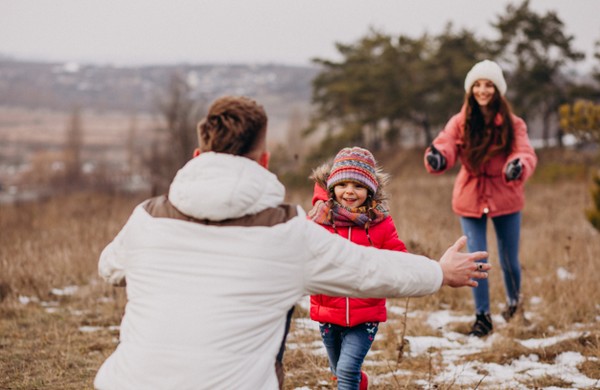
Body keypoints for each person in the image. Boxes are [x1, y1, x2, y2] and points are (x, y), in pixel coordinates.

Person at [95, 95, 490, 390]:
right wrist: (438, 272)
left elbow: (109, 268)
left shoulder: (147, 217)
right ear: (263, 161)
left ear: (198, 154)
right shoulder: (287, 233)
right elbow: (370, 269)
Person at [424, 60, 537, 338]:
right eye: (477, 84)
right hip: (471, 196)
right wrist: (438, 157)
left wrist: (518, 165)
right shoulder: (459, 122)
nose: (483, 90)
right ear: (470, 89)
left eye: (488, 84)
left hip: (505, 194)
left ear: (497, 90)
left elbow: (524, 152)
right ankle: (482, 317)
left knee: (509, 259)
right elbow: (446, 143)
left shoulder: (514, 123)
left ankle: (514, 306)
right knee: (477, 260)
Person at [308, 146, 406, 390]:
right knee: (339, 370)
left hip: (366, 314)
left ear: (370, 190)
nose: (349, 192)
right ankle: (358, 384)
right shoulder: (320, 221)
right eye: (343, 185)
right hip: (328, 311)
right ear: (332, 188)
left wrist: (415, 271)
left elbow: (399, 256)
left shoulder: (380, 224)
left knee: (347, 369)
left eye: (358, 186)